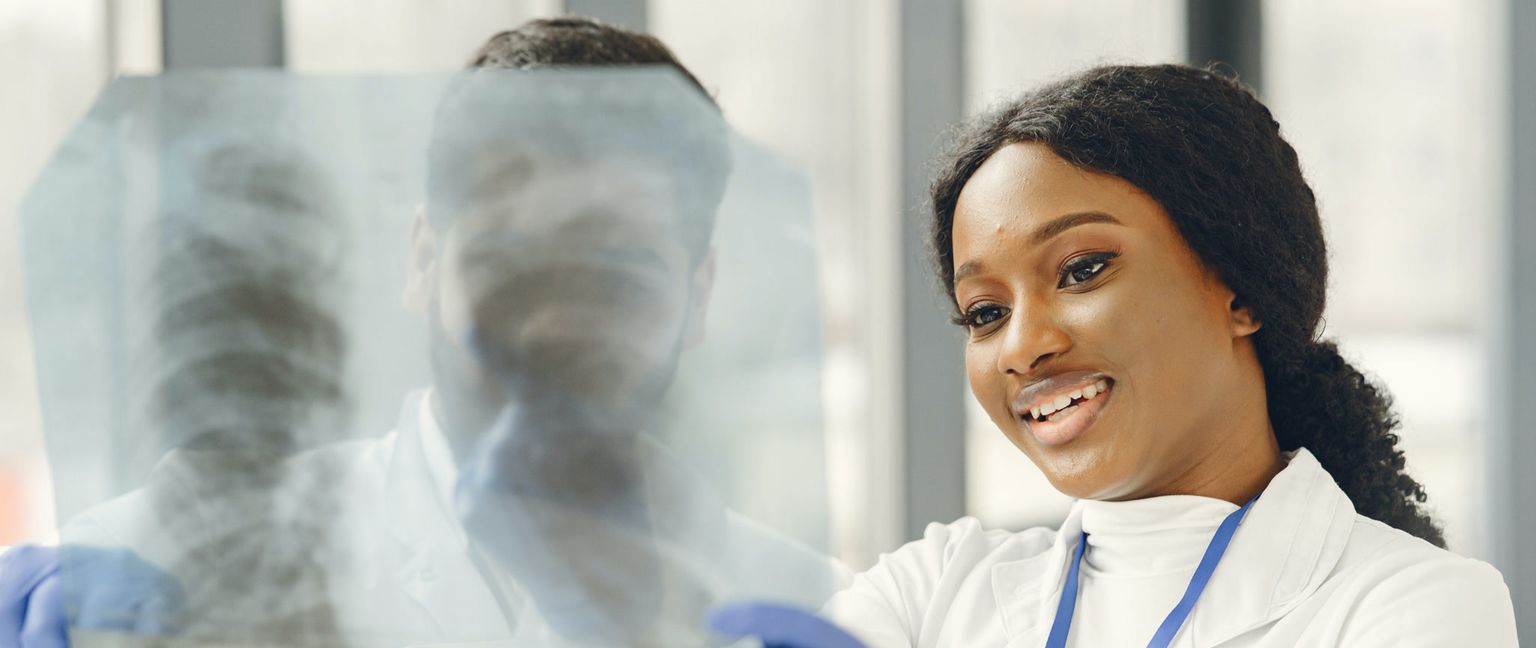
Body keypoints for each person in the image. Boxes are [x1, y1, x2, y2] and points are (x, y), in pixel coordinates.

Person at [1, 17, 844, 647]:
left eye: (614, 276)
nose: (552, 323)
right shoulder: (184, 555)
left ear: (698, 298)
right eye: (510, 262)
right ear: (423, 260)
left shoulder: (801, 605)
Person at [819, 64, 1518, 647]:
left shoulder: (1416, 605)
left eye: (1082, 269)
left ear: (1239, 287)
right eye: (987, 313)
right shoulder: (932, 589)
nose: (1024, 347)